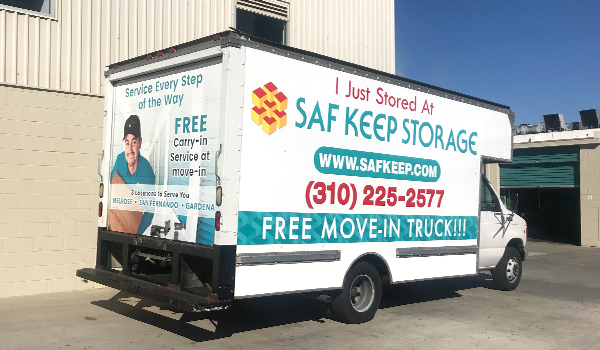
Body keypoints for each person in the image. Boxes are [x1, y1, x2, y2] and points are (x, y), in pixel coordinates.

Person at [110, 115, 155, 235]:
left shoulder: (147, 173)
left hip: (133, 231)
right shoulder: (120, 160)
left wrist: (135, 232)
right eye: (127, 142)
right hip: (116, 223)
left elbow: (150, 210)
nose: (130, 149)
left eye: (134, 142)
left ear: (140, 143)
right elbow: (111, 186)